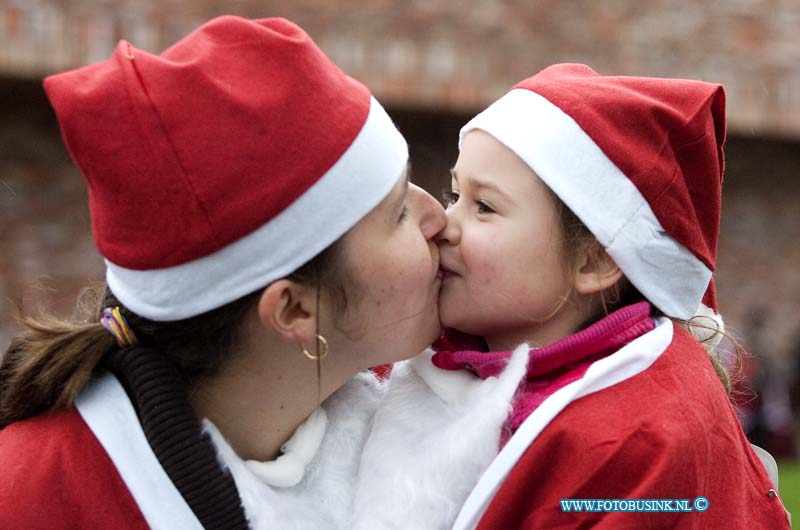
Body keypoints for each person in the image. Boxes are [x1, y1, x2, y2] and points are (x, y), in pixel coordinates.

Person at [0, 16, 447, 530]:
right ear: (295, 309)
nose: (439, 217)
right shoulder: (34, 505)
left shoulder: (421, 409)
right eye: (398, 212)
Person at [354, 64, 792, 529]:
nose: (444, 222)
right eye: (455, 193)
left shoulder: (643, 442)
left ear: (594, 262)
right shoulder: (436, 350)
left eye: (484, 206)